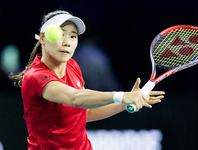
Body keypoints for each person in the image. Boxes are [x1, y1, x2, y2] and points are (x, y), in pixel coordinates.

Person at [9, 10, 165, 150]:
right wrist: (122, 95)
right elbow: (74, 98)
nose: (67, 42)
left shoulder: (72, 66)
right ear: (42, 38)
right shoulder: (35, 76)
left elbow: (85, 112)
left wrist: (126, 103)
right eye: (60, 34)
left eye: (73, 36)